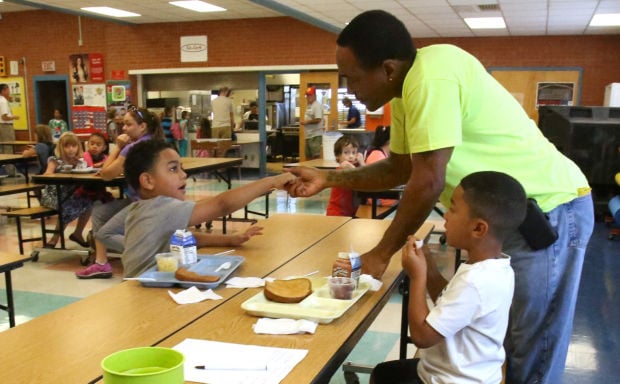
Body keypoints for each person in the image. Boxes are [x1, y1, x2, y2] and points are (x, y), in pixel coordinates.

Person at [286, 10, 594, 384]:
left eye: (352, 78)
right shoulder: (404, 95)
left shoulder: (432, 76)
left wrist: (381, 253)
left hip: (548, 211)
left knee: (532, 349)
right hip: (496, 220)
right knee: (496, 339)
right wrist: (327, 178)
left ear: (387, 69)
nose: (350, 89)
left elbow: (428, 180)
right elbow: (398, 170)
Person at [370, 171, 527, 384]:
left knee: (385, 376)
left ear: (478, 228)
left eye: (453, 208)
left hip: (453, 380)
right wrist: (430, 266)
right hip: (471, 373)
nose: (445, 215)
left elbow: (422, 337)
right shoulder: (496, 267)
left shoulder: (475, 282)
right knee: (385, 373)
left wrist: (418, 277)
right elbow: (449, 302)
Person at [111, 140, 295, 277]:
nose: (184, 175)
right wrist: (272, 181)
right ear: (148, 181)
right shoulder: (160, 207)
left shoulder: (144, 207)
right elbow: (222, 205)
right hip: (141, 295)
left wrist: (230, 240)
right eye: (173, 169)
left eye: (181, 168)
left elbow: (188, 237)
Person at [75, 105, 165, 279]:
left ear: (142, 126)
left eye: (128, 124)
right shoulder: (156, 142)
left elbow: (107, 175)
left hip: (143, 203)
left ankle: (149, 252)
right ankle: (101, 264)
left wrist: (117, 147)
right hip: (158, 200)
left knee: (103, 233)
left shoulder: (131, 148)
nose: (123, 128)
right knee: (100, 211)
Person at [40, 132, 92, 248]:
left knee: (89, 203)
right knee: (69, 205)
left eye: (74, 146)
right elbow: (47, 174)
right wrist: (60, 174)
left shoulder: (78, 162)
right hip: (54, 195)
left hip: (69, 195)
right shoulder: (55, 160)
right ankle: (54, 239)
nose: (71, 149)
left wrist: (81, 165)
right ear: (61, 148)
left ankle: (78, 233)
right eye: (67, 146)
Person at [326, 135, 364, 217]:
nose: (351, 156)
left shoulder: (354, 168)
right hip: (336, 213)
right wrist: (356, 166)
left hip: (350, 212)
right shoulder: (340, 170)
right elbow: (360, 178)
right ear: (338, 156)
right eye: (346, 152)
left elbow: (368, 177)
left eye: (354, 152)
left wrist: (362, 162)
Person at [364, 125, 396, 207]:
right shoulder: (378, 157)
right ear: (390, 141)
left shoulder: (379, 154)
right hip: (379, 200)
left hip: (379, 198)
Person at [299, 86, 324, 159]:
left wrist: (306, 122)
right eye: (307, 95)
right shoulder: (310, 105)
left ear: (314, 96)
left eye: (310, 95)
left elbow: (318, 119)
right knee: (308, 156)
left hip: (315, 136)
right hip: (309, 135)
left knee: (315, 156)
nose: (308, 97)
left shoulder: (317, 105)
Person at [0, 83, 19, 177]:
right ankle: (11, 172)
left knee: (5, 148)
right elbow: (4, 117)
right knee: (8, 148)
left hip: (2, 126)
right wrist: (14, 117)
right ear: (3, 91)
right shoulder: (3, 101)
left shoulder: (2, 100)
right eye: (8, 90)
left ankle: (10, 170)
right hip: (5, 126)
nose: (9, 92)